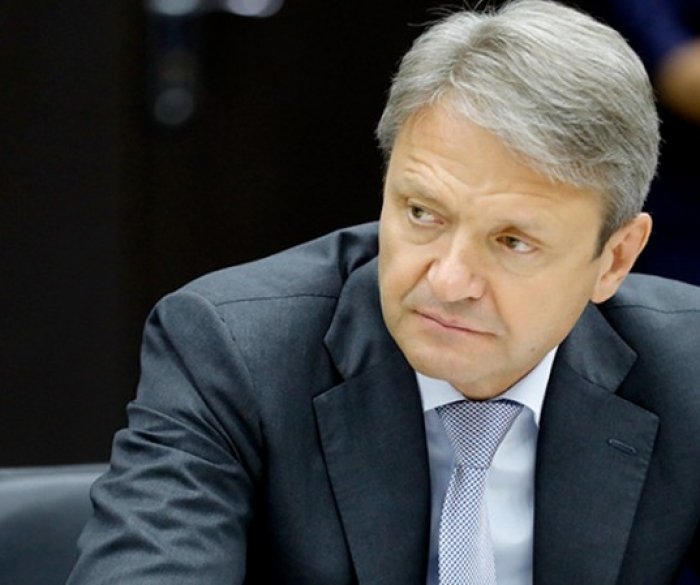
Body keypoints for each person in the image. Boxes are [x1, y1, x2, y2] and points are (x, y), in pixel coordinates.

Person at [67, 1, 700, 584]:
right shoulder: (234, 353)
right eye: (423, 213)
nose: (448, 281)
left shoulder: (689, 372)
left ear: (615, 259)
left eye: (512, 242)